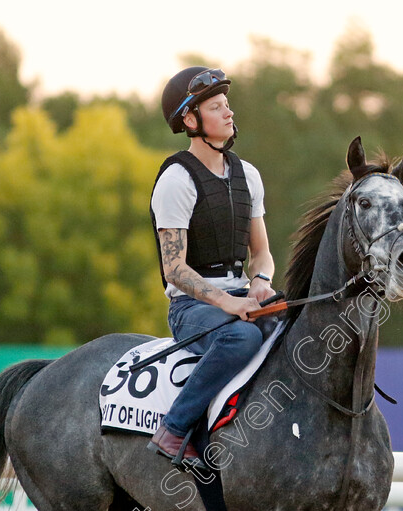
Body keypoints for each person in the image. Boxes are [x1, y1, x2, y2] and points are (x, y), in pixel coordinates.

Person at [147, 67, 276, 466]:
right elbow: (175, 270)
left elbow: (263, 253)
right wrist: (228, 303)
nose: (229, 113)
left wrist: (260, 282)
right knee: (242, 340)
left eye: (227, 105)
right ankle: (174, 428)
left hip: (239, 299)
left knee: (292, 328)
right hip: (192, 308)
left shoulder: (248, 175)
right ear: (190, 120)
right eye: (216, 107)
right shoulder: (176, 179)